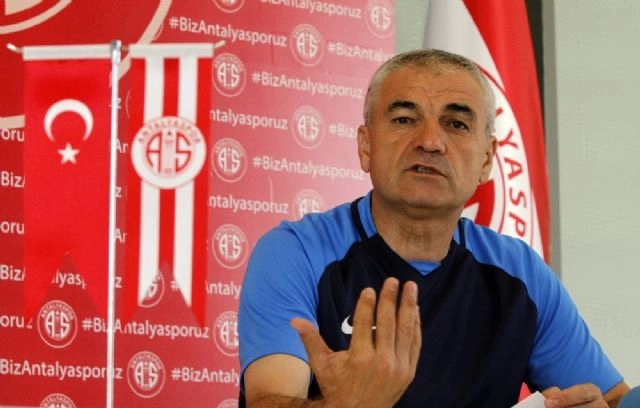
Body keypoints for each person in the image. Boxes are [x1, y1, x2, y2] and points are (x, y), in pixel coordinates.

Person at [237, 48, 630, 407]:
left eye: (456, 124)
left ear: (487, 160)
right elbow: (267, 401)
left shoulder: (522, 274)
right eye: (404, 119)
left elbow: (614, 399)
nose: (430, 141)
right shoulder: (296, 253)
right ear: (366, 146)